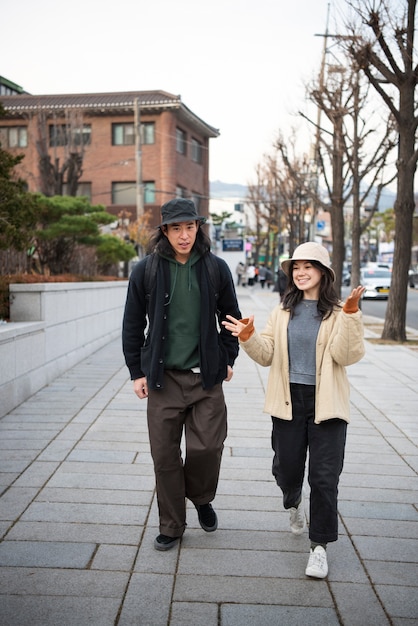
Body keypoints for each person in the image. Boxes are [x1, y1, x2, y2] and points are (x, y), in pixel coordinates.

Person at [222, 241, 365, 579]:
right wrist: (248, 336)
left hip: (327, 403)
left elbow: (347, 355)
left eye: (308, 267)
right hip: (288, 402)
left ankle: (319, 548)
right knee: (286, 471)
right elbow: (267, 354)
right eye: (296, 268)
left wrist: (350, 315)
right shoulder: (282, 311)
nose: (301, 273)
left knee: (325, 478)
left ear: (323, 273)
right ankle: (293, 502)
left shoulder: (337, 311)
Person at [122, 198, 241, 551]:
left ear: (198, 228)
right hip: (164, 379)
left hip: (206, 378)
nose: (184, 235)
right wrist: (136, 371)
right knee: (165, 457)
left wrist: (227, 357)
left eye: (190, 227)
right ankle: (172, 526)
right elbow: (132, 323)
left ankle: (201, 497)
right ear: (165, 231)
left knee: (208, 447)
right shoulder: (147, 270)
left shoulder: (215, 268)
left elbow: (232, 318)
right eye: (176, 228)